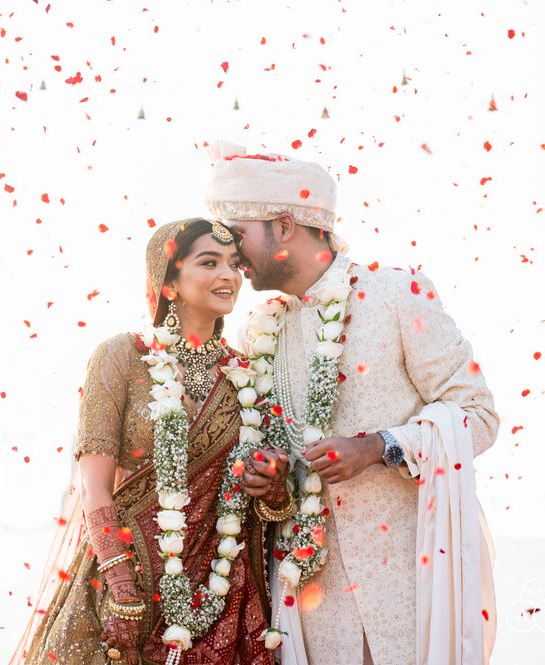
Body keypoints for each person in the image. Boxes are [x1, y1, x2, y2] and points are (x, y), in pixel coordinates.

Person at [204, 141, 499, 665]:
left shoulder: (396, 293)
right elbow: (275, 464)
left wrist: (378, 447)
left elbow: (478, 417)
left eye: (238, 238)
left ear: (286, 226)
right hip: (308, 597)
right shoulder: (260, 330)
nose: (230, 258)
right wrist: (271, 480)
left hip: (407, 585)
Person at [13, 218, 291, 665]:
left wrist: (275, 489)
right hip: (125, 578)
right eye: (209, 262)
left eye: (234, 264)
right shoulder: (121, 356)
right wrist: (120, 583)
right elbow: (93, 487)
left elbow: (265, 509)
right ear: (170, 283)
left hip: (218, 599)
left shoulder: (247, 378)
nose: (228, 275)